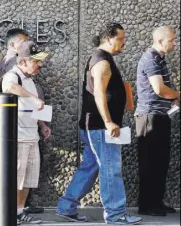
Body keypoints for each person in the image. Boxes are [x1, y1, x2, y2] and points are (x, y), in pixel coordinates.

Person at [56, 23, 142, 225]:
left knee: (90, 166)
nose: (124, 42)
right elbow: (99, 95)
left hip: (97, 126)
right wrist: (109, 122)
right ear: (109, 38)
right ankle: (115, 214)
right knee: (110, 168)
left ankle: (66, 206)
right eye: (121, 38)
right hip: (100, 127)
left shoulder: (103, 59)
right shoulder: (102, 61)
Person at [0, 28, 50, 214]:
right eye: (37, 61)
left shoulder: (31, 80)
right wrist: (33, 98)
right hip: (17, 137)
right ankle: (9, 213)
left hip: (32, 136)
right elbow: (9, 87)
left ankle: (19, 211)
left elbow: (33, 106)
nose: (40, 65)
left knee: (28, 179)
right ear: (25, 60)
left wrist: (42, 125)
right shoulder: (13, 75)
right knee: (16, 179)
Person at [134, 26, 179, 216]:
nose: (175, 43)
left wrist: (174, 96)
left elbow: (166, 87)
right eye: (172, 40)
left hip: (160, 116)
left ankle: (157, 202)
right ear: (160, 41)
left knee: (160, 162)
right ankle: (146, 205)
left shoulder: (160, 59)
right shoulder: (151, 58)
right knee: (149, 162)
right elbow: (159, 89)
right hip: (149, 117)